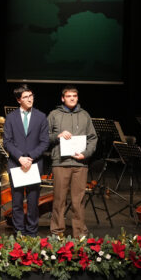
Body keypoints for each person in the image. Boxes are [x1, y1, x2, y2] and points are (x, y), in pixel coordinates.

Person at [47, 85, 97, 238]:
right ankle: (57, 231)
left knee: (78, 201)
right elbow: (44, 136)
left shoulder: (85, 115)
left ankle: (79, 232)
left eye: (74, 96)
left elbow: (93, 138)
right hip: (60, 163)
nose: (72, 99)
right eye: (69, 96)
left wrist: (86, 154)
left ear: (77, 98)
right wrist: (58, 135)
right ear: (63, 98)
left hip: (80, 164)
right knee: (59, 199)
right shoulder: (54, 114)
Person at [3, 84, 49, 236]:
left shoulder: (41, 116)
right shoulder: (10, 118)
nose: (30, 99)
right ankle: (19, 233)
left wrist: (30, 157)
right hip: (16, 164)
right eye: (25, 97)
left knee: (32, 202)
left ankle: (32, 233)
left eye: (31, 96)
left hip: (33, 164)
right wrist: (20, 158)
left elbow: (44, 142)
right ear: (18, 100)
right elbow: (7, 142)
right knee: (16, 202)